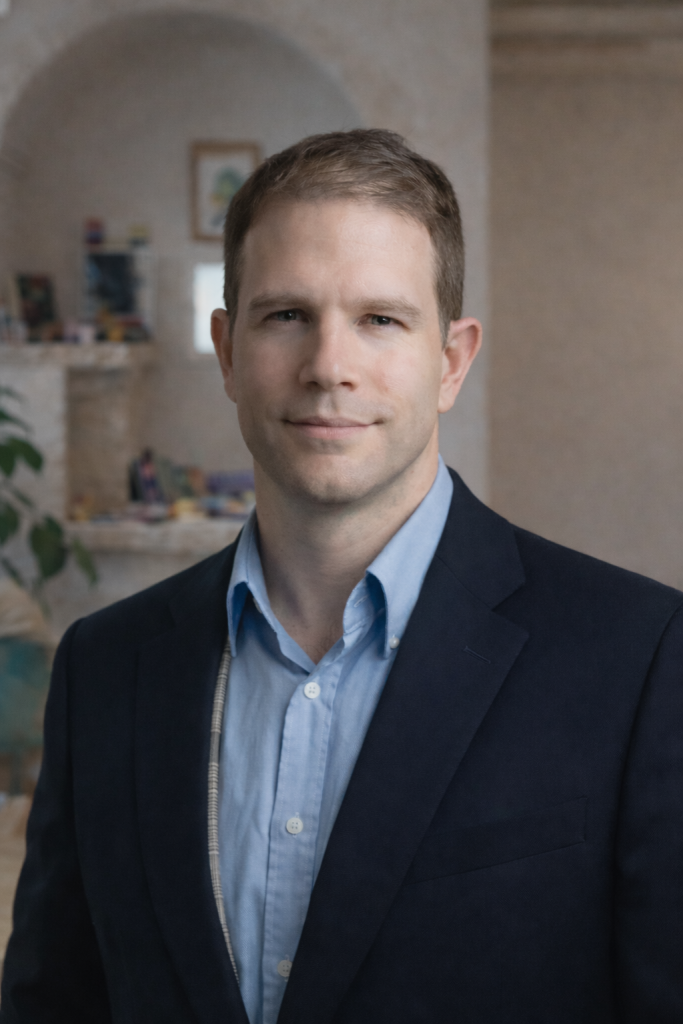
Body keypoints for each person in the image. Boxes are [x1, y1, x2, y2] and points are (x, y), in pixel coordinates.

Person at [1, 129, 681, 1024]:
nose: (328, 367)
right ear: (228, 350)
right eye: (286, 315)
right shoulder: (105, 667)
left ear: (451, 361)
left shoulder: (637, 657)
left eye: (380, 320)